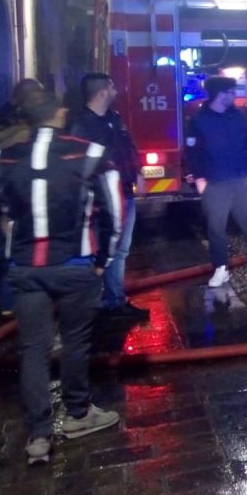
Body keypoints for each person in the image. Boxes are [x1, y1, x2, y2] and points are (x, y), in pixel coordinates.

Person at [0, 89, 123, 465]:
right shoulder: (89, 154)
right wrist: (103, 257)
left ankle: (39, 435)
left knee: (34, 350)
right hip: (75, 266)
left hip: (26, 268)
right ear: (59, 114)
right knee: (75, 342)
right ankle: (77, 414)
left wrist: (4, 259)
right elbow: (114, 211)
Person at [184, 75, 247, 287]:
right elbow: (192, 152)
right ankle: (220, 269)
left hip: (242, 178)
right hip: (215, 181)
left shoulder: (237, 116)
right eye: (230, 92)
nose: (233, 95)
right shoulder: (199, 120)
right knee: (216, 227)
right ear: (219, 94)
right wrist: (199, 177)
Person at [69, 73, 150, 321]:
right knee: (99, 249)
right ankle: (95, 304)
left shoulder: (114, 119)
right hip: (99, 200)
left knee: (120, 250)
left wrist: (138, 174)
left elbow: (128, 148)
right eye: (112, 86)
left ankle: (115, 300)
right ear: (103, 92)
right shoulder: (80, 126)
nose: (116, 90)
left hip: (123, 193)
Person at [0, 77, 43, 317]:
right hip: (9, 184)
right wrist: (19, 132)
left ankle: (29, 298)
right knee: (9, 250)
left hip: (32, 184)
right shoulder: (8, 114)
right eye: (32, 95)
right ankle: (9, 303)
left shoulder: (38, 115)